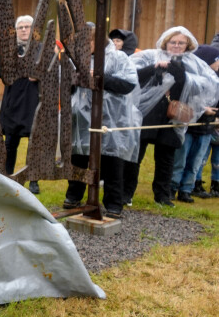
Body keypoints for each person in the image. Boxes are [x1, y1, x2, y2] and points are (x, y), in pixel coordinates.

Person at [124, 27, 219, 207]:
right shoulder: (151, 56)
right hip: (148, 113)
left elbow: (205, 85)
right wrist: (154, 69)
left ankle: (162, 196)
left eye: (181, 42)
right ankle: (126, 193)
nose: (176, 45)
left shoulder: (195, 63)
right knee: (135, 156)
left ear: (187, 45)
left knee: (166, 158)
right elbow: (131, 73)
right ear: (166, 42)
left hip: (174, 114)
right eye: (173, 42)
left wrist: (180, 73)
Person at [63, 27, 141, 218]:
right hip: (82, 120)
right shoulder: (76, 60)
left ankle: (114, 204)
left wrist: (100, 78)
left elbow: (128, 84)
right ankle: (74, 196)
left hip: (111, 119)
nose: (82, 47)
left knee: (112, 161)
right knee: (79, 157)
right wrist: (75, 79)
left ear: (98, 41)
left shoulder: (119, 58)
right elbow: (65, 86)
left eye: (86, 43)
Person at [0, 15, 41, 194]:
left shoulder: (40, 48)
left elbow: (51, 67)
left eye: (27, 26)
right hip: (13, 103)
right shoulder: (10, 49)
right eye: (20, 27)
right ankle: (8, 177)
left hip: (33, 102)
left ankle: (33, 180)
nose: (23, 30)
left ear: (33, 29)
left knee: (34, 144)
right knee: (10, 144)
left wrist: (38, 74)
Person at [177, 45, 219, 201]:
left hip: (207, 128)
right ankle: (174, 186)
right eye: (217, 59)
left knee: (196, 162)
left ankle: (187, 189)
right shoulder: (194, 78)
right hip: (190, 126)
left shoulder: (215, 78)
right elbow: (189, 99)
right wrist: (203, 110)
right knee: (181, 159)